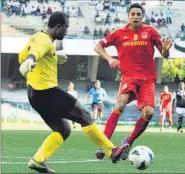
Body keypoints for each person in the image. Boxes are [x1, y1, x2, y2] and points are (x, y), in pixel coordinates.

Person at [18, 11, 128, 173]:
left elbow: (24, 55)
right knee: (85, 116)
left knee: (64, 129)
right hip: (46, 92)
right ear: (58, 27)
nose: (67, 32)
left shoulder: (36, 37)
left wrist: (50, 59)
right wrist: (31, 60)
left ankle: (38, 160)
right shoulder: (45, 41)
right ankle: (111, 151)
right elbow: (36, 52)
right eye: (66, 28)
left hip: (34, 95)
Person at [94, 3, 173, 160]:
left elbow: (164, 54)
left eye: (138, 14)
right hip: (129, 77)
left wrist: (165, 49)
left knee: (149, 113)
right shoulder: (118, 33)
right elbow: (98, 46)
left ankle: (128, 141)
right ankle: (104, 144)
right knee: (120, 103)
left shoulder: (151, 32)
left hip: (147, 80)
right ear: (128, 16)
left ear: (142, 16)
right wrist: (109, 58)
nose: (135, 17)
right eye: (133, 14)